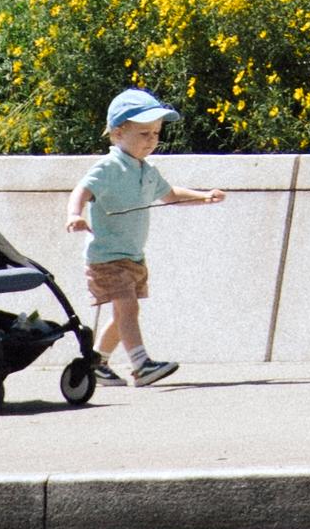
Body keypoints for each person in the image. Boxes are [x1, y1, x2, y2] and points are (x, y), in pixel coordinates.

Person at [65, 87, 220, 383]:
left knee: (126, 312)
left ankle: (96, 362)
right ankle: (141, 364)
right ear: (117, 134)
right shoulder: (109, 167)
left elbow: (170, 194)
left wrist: (203, 196)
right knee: (128, 308)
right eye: (143, 134)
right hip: (106, 257)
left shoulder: (147, 171)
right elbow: (81, 190)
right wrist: (75, 214)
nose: (152, 140)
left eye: (156, 133)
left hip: (134, 256)